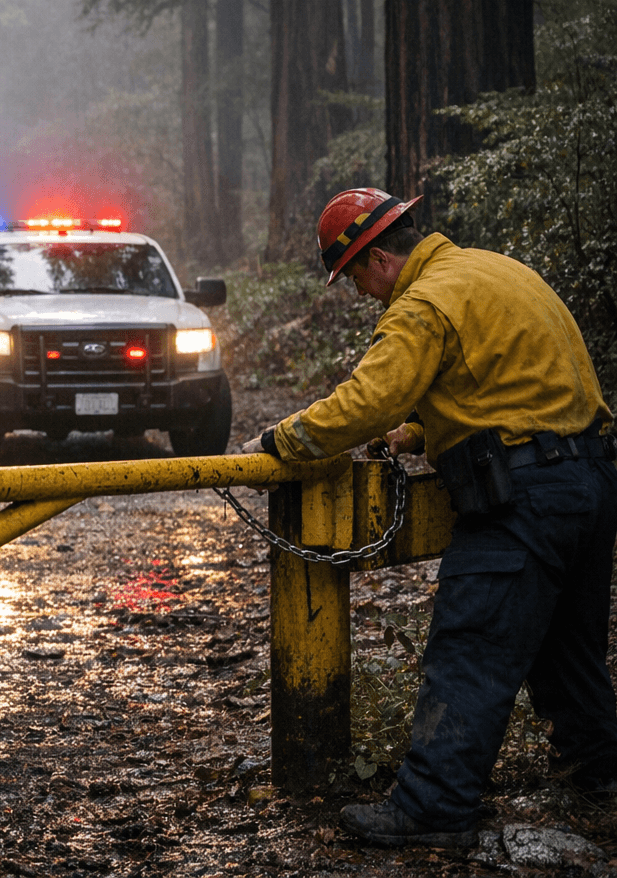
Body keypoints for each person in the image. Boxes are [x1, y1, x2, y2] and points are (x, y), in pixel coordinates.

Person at [240, 187, 617, 849]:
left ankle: (435, 806)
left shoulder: (420, 305)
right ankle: (599, 771)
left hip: (521, 496)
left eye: (355, 278)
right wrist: (424, 429)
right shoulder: (498, 270)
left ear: (378, 258)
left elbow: (368, 400)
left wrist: (287, 439)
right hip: (588, 478)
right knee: (568, 645)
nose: (361, 295)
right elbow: (503, 375)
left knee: (469, 647)